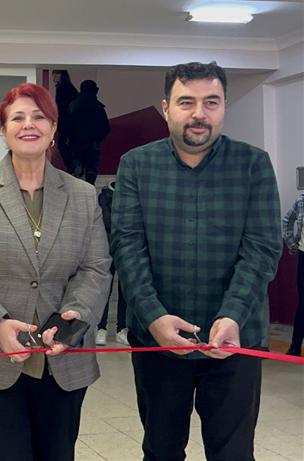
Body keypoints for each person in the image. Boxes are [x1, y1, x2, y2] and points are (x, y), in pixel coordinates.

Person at [111, 61, 281, 461]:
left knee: (233, 453)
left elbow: (262, 249)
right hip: (157, 340)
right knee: (161, 450)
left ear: (224, 106)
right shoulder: (136, 165)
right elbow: (127, 246)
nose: (199, 113)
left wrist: (233, 315)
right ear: (166, 107)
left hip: (235, 340)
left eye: (211, 102)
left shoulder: (253, 165)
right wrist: (153, 317)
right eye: (186, 102)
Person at [0, 83, 112, 461]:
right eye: (17, 117)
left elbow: (96, 267)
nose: (28, 124)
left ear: (53, 129)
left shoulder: (83, 196)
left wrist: (75, 318)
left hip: (62, 360)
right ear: (3, 131)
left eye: (39, 117)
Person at [94, 181, 129, 346]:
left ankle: (122, 328)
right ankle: (102, 328)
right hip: (106, 248)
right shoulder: (104, 196)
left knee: (126, 292)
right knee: (105, 289)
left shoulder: (130, 193)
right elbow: (106, 221)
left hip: (127, 249)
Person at [61, 79, 111, 184]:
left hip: (75, 143)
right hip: (93, 144)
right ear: (95, 91)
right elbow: (106, 127)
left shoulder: (73, 105)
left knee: (76, 165)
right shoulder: (98, 107)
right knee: (91, 169)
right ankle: (89, 188)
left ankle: (76, 169)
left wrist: (67, 140)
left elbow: (66, 126)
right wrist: (98, 138)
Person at [283, 193, 304, 356]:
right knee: (303, 303)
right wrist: (291, 242)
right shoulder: (301, 200)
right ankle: (295, 346)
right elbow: (287, 220)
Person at [52, 69, 78, 169]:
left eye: (56, 75)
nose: (54, 78)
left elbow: (61, 107)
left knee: (63, 145)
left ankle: (71, 166)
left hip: (64, 121)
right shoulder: (71, 89)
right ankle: (74, 165)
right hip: (72, 122)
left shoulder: (62, 89)